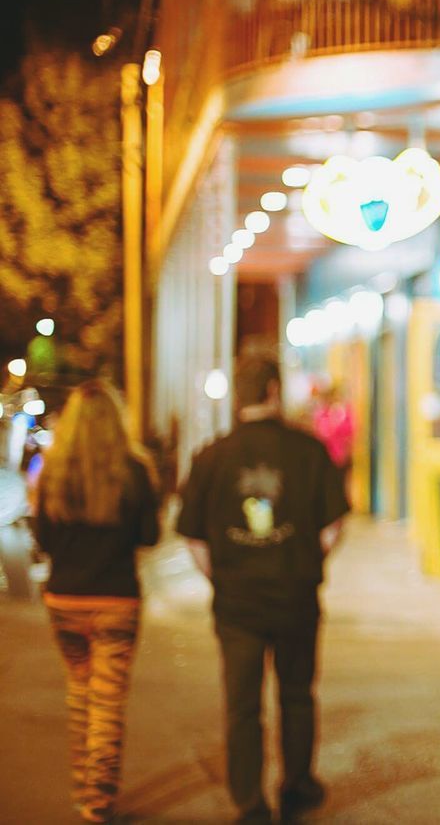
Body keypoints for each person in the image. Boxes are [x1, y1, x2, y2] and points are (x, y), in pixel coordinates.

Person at [177, 353, 349, 824]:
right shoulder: (309, 451)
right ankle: (297, 786)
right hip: (296, 598)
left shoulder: (212, 456)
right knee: (296, 694)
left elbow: (192, 536)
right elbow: (333, 523)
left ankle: (250, 803)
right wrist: (306, 560)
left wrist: (224, 575)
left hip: (237, 605)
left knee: (242, 706)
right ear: (273, 390)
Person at [32, 380, 161, 823]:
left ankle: (82, 788)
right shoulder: (134, 469)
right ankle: (98, 799)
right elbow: (149, 536)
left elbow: (44, 540)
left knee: (80, 692)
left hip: (64, 598)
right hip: (116, 599)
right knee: (107, 700)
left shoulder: (52, 471)